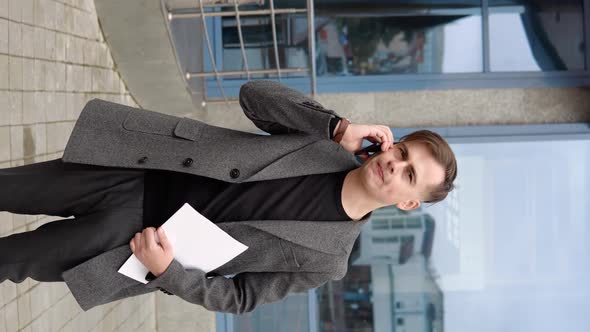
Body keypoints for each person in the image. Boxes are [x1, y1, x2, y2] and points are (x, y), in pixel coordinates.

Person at [0, 80, 457, 314]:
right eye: (401, 151)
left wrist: (170, 273)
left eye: (409, 173)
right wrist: (337, 127)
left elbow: (239, 298)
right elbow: (253, 97)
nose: (393, 163)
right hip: (135, 169)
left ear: (408, 202)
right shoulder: (324, 141)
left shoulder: (326, 261)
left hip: (131, 242)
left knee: (11, 260)